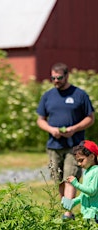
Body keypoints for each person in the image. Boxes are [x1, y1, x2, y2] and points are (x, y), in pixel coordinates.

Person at [36, 62, 95, 219]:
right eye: (53, 77)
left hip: (74, 146)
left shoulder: (79, 95)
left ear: (67, 76)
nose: (55, 80)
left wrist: (74, 129)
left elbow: (90, 118)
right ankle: (66, 208)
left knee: (70, 178)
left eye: (59, 77)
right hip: (54, 145)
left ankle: (67, 214)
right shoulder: (48, 96)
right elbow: (40, 120)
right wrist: (51, 129)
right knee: (58, 181)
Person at [62, 140, 98, 223]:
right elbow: (84, 195)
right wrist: (73, 202)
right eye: (77, 161)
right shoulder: (87, 172)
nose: (79, 164)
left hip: (94, 213)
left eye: (81, 160)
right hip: (87, 213)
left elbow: (92, 191)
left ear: (92, 157)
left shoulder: (96, 171)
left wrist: (76, 184)